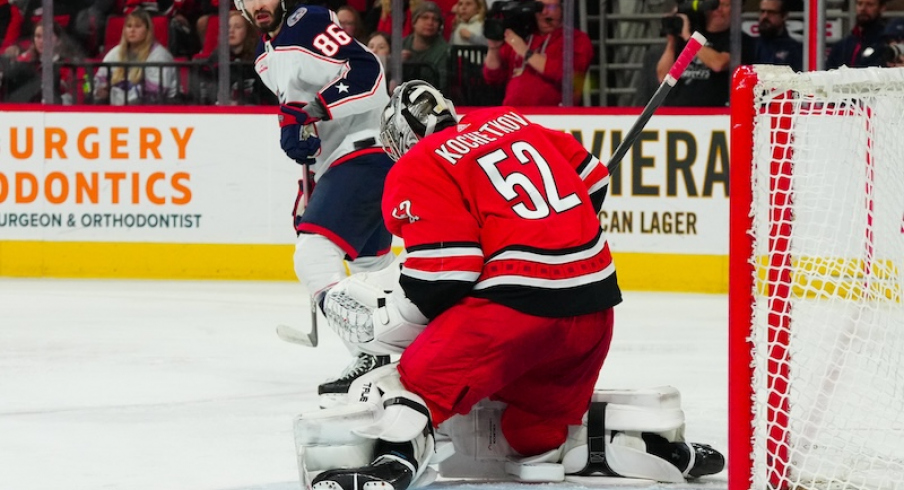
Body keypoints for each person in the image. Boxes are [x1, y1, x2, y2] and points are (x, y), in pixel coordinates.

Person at [301, 80, 725, 490]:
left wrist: (386, 323)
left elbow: (445, 274)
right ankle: (616, 445)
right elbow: (594, 179)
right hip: (593, 310)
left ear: (397, 137)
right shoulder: (508, 120)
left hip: (516, 313)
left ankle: (391, 464)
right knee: (531, 431)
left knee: (404, 384)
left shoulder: (418, 163)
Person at [232, 0, 397, 403]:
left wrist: (309, 112)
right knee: (370, 270)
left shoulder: (308, 21)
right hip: (345, 162)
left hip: (366, 152)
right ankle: (398, 357)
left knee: (312, 257)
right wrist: (311, 172)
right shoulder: (264, 59)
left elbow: (367, 72)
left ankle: (369, 354)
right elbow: (301, 122)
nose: (259, 4)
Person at [482, 0, 593, 106]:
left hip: (554, 116)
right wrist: (494, 48)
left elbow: (570, 76)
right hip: (515, 116)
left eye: (551, 7)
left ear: (562, 10)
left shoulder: (576, 39)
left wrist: (526, 53)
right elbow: (492, 77)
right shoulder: (523, 36)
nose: (544, 12)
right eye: (539, 7)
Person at [93, 8, 178, 105]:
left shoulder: (160, 56)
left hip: (157, 110)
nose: (132, 30)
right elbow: (97, 81)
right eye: (129, 26)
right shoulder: (116, 52)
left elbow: (156, 93)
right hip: (119, 111)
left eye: (138, 26)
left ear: (147, 30)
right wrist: (99, 91)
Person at [656, 0, 731, 106]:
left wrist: (688, 37)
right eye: (715, 5)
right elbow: (663, 77)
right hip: (678, 110)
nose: (718, 10)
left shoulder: (737, 39)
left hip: (713, 112)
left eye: (725, 5)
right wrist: (672, 41)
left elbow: (718, 64)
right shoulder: (687, 36)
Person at [194, 9, 274, 104]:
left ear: (247, 31)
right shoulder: (215, 59)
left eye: (237, 27)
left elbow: (267, 98)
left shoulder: (259, 59)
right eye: (228, 27)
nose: (231, 31)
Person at [742, 0, 803, 72]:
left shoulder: (795, 49)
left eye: (771, 12)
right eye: (762, 12)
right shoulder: (749, 46)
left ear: (784, 16)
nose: (765, 16)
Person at [401, 1, 449, 90]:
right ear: (414, 22)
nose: (430, 22)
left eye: (435, 19)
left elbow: (442, 85)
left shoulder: (445, 50)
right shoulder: (402, 45)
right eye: (425, 17)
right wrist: (398, 64)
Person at [826, 0, 887, 69]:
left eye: (870, 5)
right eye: (859, 4)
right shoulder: (842, 46)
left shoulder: (886, 42)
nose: (863, 8)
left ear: (882, 8)